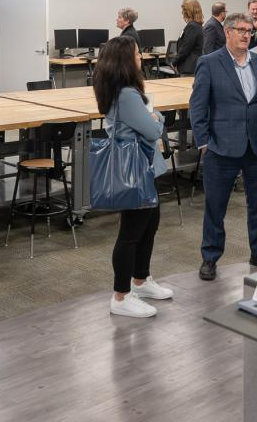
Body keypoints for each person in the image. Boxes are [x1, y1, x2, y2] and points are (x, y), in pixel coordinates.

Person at [190, 12, 257, 280]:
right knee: (216, 207)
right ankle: (210, 257)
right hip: (221, 147)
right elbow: (198, 107)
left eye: (249, 30)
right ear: (227, 32)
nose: (245, 35)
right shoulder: (209, 63)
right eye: (240, 30)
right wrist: (204, 142)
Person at [93, 36, 174, 318]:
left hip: (143, 169)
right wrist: (158, 118)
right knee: (131, 233)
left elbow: (148, 122)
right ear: (126, 60)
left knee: (149, 225)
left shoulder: (120, 90)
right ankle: (121, 295)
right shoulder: (127, 94)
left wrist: (152, 117)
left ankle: (141, 280)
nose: (142, 57)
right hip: (135, 171)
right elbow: (153, 130)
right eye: (138, 54)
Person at [173, 0, 204, 75]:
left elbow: (185, 48)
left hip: (189, 68)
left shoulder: (192, 27)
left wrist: (174, 62)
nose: (182, 12)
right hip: (194, 67)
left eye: (183, 10)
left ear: (188, 11)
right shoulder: (198, 26)